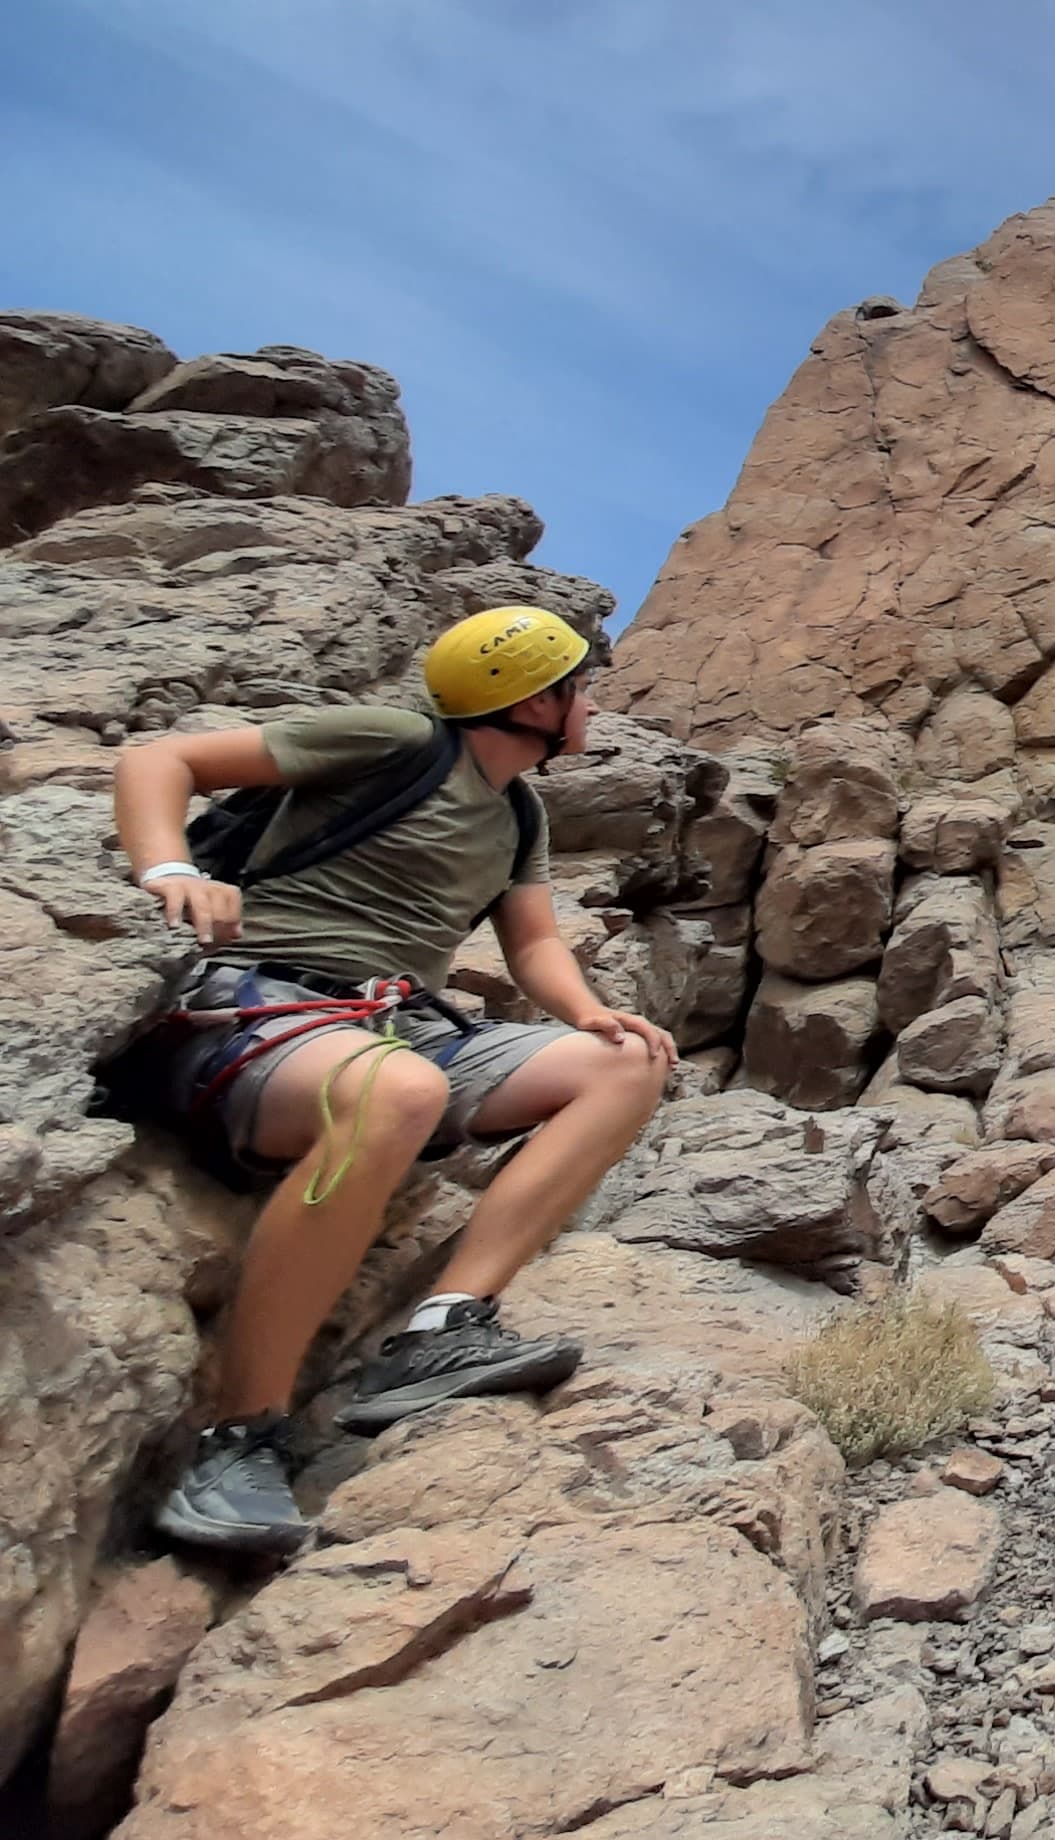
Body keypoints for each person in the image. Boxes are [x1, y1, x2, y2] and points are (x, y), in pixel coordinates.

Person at [110, 606, 677, 1554]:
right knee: (397, 1092)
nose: (590, 705)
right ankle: (238, 1437)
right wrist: (168, 870)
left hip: (392, 1023)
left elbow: (532, 941)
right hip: (258, 1000)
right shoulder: (396, 740)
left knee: (625, 1065)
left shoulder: (518, 811)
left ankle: (442, 1331)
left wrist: (587, 1012)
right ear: (537, 700)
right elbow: (160, 761)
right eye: (579, 686)